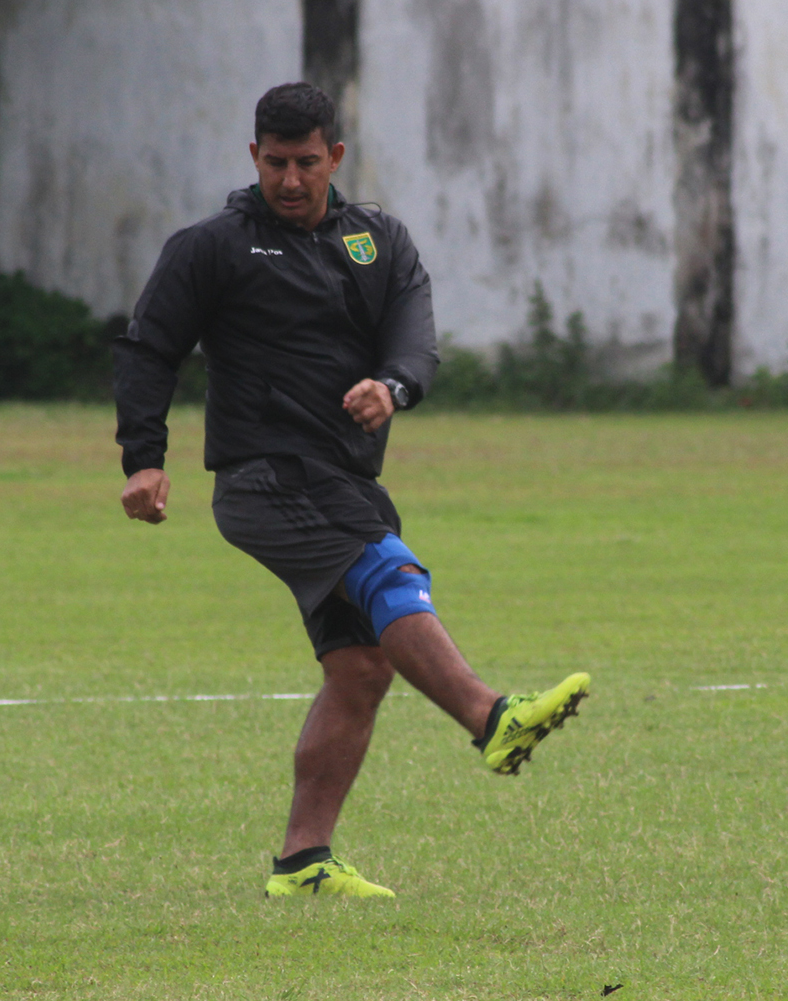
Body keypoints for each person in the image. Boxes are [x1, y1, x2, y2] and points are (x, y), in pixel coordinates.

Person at [113, 82, 589, 899]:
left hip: (337, 476)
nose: (289, 181)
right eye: (274, 163)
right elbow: (150, 346)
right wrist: (143, 456)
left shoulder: (378, 241)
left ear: (335, 156)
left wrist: (393, 386)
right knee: (388, 568)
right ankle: (489, 716)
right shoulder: (215, 246)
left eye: (305, 163)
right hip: (264, 475)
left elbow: (415, 334)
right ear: (252, 156)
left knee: (363, 667)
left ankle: (303, 862)